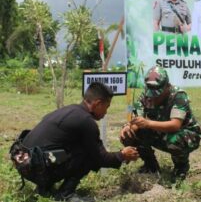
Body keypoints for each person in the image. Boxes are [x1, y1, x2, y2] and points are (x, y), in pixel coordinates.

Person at [9, 82, 139, 200]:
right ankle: (65, 194)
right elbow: (100, 158)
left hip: (23, 163)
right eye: (106, 106)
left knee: (76, 147)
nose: (106, 112)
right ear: (97, 103)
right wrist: (122, 155)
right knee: (88, 155)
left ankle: (45, 188)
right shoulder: (86, 121)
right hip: (36, 169)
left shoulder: (70, 109)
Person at [120, 66, 201, 180]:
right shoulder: (146, 96)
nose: (153, 97)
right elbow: (136, 119)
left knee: (175, 139)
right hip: (161, 132)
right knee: (129, 134)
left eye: (157, 93)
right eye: (151, 93)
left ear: (167, 86)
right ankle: (151, 165)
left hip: (187, 135)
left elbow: (175, 125)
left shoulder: (178, 95)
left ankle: (181, 168)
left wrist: (147, 123)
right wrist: (129, 128)